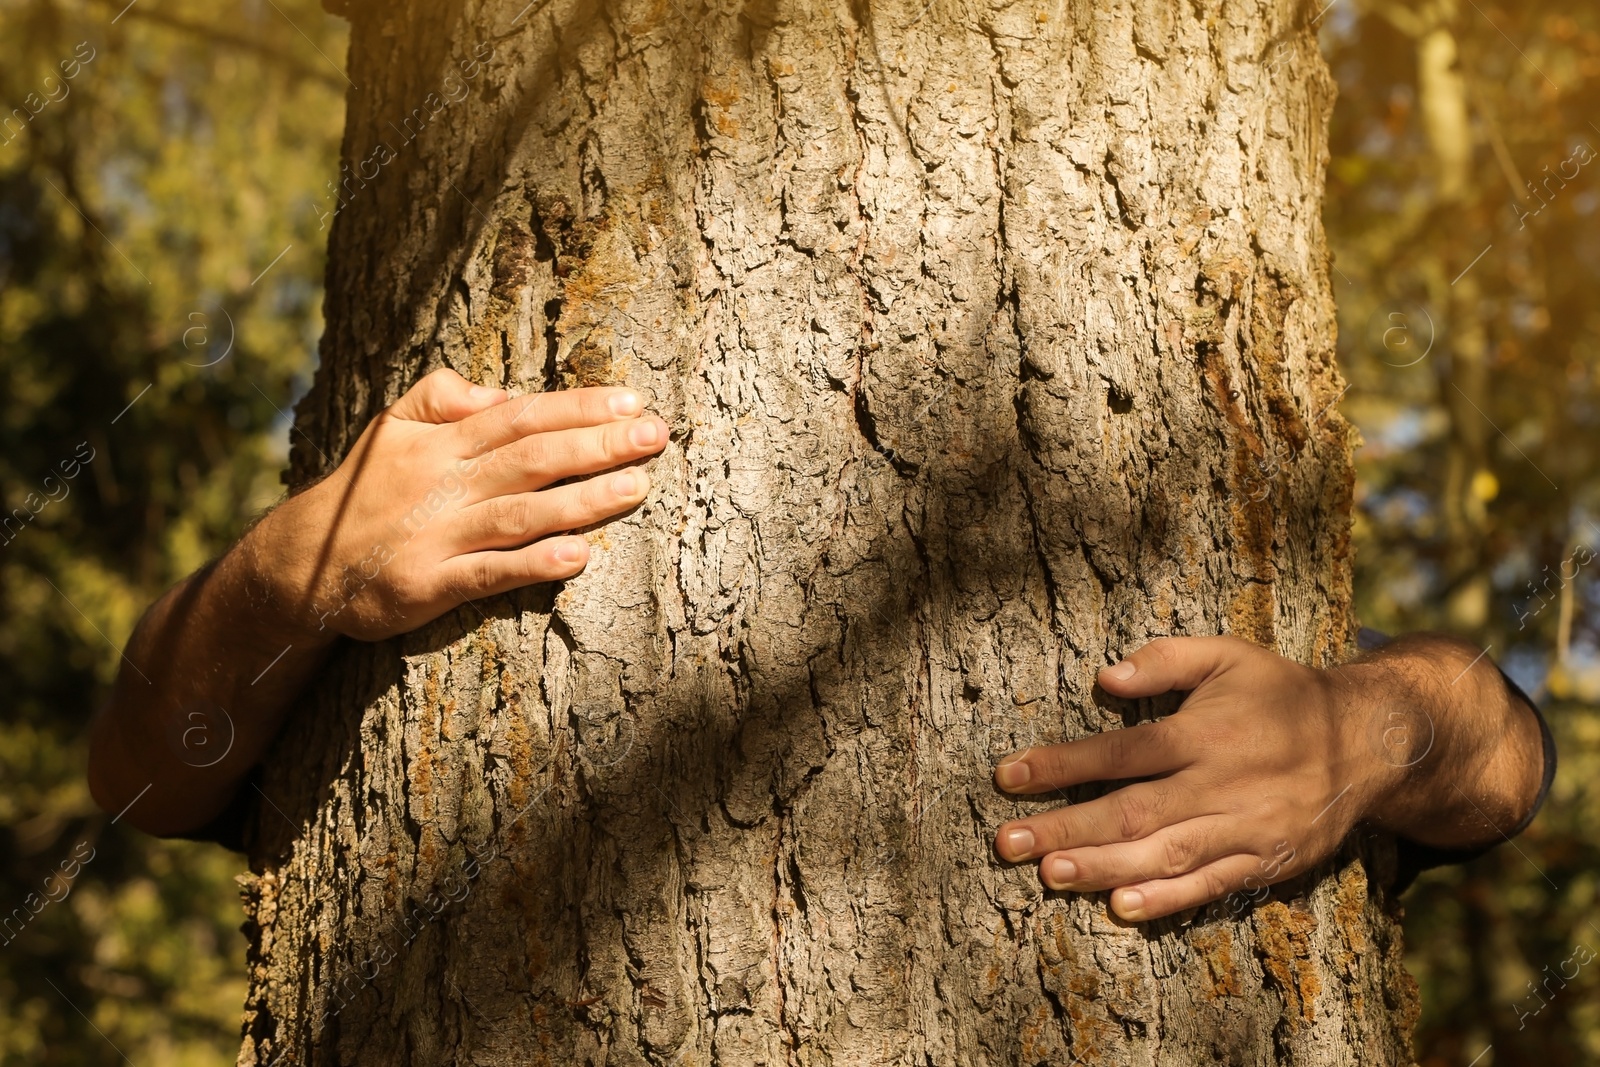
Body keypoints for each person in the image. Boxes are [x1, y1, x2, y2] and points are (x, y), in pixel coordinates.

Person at [88, 370, 1556, 922]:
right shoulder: (406, 474)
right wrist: (287, 572)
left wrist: (1372, 729)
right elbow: (144, 782)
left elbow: (1503, 761)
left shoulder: (1291, 650)